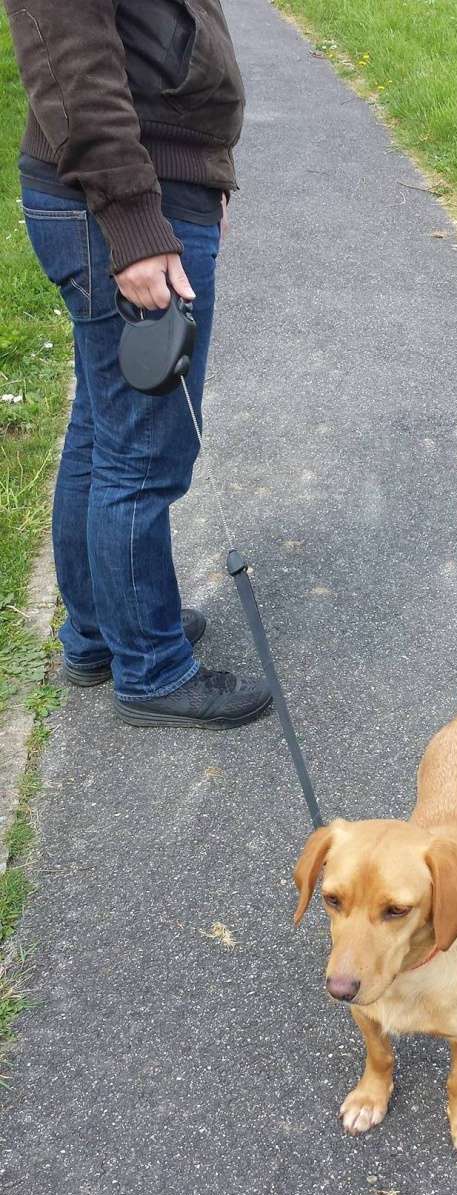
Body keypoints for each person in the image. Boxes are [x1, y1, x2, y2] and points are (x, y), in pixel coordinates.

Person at [4, 0, 272, 728]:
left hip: (149, 184)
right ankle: (150, 667)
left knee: (104, 429)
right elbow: (70, 59)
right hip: (121, 198)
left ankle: (101, 634)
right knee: (144, 451)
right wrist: (134, 217)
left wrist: (203, 177)